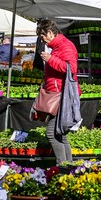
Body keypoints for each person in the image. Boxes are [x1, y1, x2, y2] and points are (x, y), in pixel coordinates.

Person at [34, 19, 79, 165]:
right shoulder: (57, 47)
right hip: (57, 94)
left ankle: (61, 167)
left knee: (52, 134)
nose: (43, 40)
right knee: (61, 135)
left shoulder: (65, 46)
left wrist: (51, 59)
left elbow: (71, 69)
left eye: (43, 37)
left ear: (50, 33)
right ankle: (69, 168)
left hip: (62, 95)